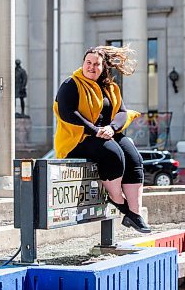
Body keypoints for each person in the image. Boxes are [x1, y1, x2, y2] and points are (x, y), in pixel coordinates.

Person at [53, 45, 150, 233]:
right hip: (78, 139)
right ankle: (118, 201)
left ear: (103, 67)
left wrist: (112, 128)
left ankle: (135, 213)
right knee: (113, 153)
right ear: (82, 64)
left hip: (106, 133)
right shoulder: (71, 84)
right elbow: (67, 112)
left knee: (132, 155)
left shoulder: (111, 87)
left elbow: (122, 112)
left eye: (96, 64)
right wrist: (95, 130)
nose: (91, 67)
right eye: (88, 63)